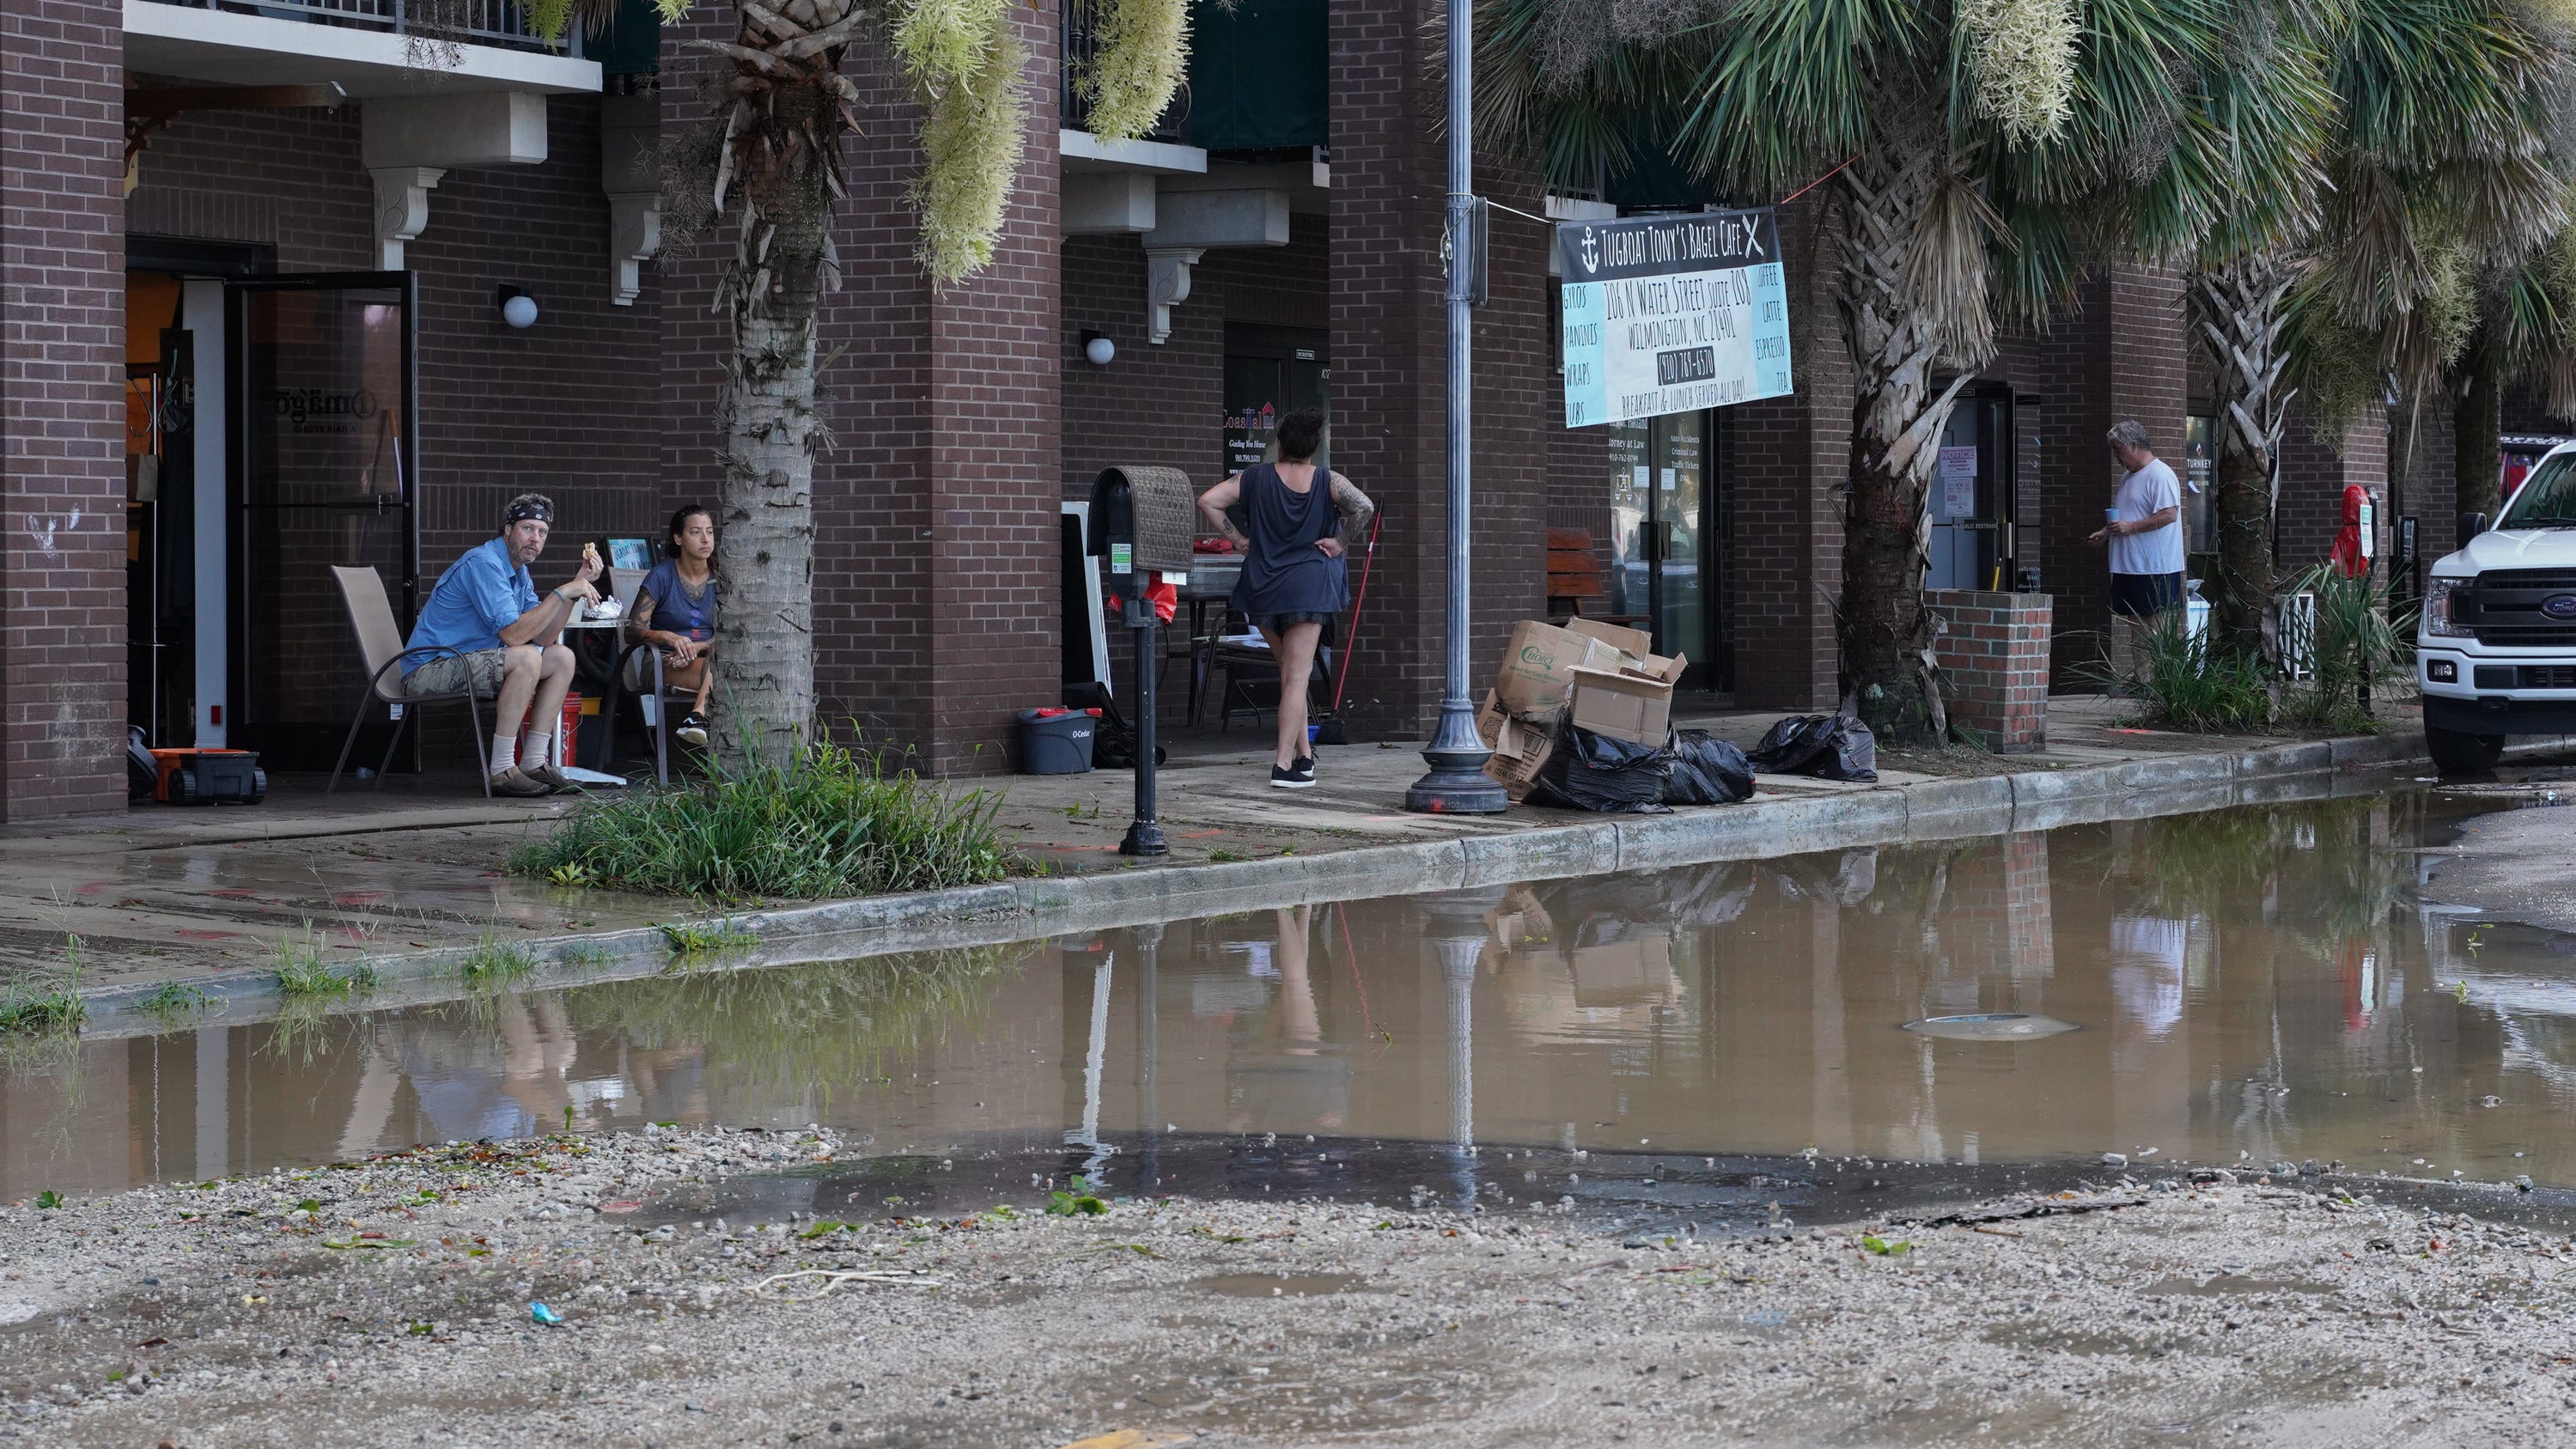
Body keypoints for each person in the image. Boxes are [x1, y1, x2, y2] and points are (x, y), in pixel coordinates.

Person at [1196, 408, 1375, 788]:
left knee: (1289, 674)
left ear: (1280, 443)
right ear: (1315, 447)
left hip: (1262, 585)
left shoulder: (1254, 477)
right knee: (1296, 677)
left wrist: (1237, 539)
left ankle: (1305, 758)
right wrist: (1340, 543)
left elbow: (1209, 501)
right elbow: (1365, 507)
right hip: (1309, 587)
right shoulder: (1329, 480)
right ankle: (1283, 766)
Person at [402, 492, 602, 796]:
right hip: (428, 670)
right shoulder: (485, 564)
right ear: (507, 529)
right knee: (525, 658)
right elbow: (513, 636)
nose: (535, 538)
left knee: (562, 657)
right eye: (527, 529)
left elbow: (544, 637)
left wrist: (575, 588)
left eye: (542, 532)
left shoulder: (519, 572)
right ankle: (501, 770)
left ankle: (534, 761)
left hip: (468, 661)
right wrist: (562, 591)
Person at [625, 503, 720, 748]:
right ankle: (697, 720)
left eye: (709, 532)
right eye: (696, 532)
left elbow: (734, 634)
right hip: (663, 661)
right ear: (678, 538)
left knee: (722, 662)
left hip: (711, 658)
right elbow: (632, 631)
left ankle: (697, 717)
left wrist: (698, 647)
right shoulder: (662, 575)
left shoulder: (722, 577)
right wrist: (669, 637)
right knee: (722, 668)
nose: (705, 539)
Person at [2091, 420, 2186, 619]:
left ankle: (2155, 654)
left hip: (2153, 568)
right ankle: (2138, 653)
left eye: (2118, 449)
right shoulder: (2127, 476)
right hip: (2128, 566)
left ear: (2134, 446)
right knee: (2136, 627)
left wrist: (2130, 527)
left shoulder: (2160, 475)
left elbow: (2169, 514)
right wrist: (2106, 532)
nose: (2115, 456)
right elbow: (2128, 514)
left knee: (2151, 627)